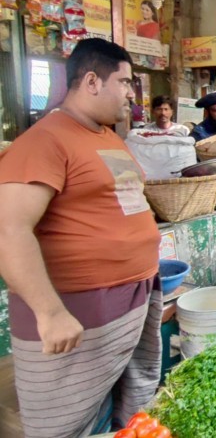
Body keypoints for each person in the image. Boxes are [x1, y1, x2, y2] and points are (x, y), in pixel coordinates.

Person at [0, 38, 162, 436]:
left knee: (131, 408)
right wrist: (50, 313)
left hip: (132, 298)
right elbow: (8, 228)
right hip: (80, 310)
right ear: (91, 81)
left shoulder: (106, 136)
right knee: (66, 420)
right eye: (124, 83)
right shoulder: (44, 141)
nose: (131, 94)